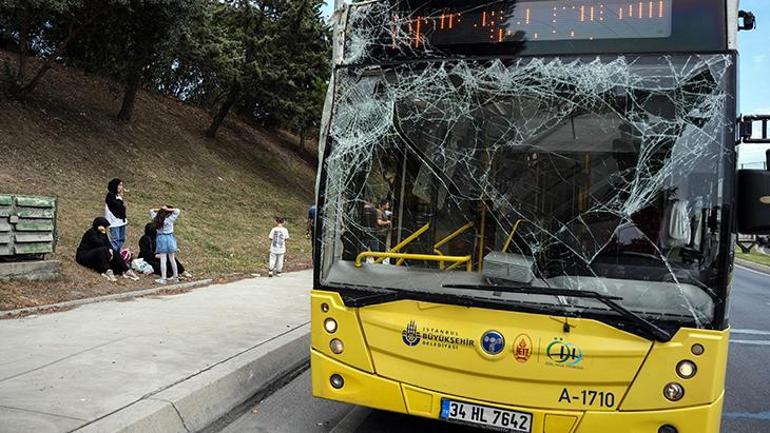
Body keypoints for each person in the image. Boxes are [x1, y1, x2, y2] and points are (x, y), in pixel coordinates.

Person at [76, 217, 135, 281]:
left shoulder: (102, 233)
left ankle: (125, 269)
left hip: (96, 253)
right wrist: (103, 235)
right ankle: (106, 270)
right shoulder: (91, 233)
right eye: (104, 226)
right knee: (102, 250)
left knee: (114, 251)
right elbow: (99, 243)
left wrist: (111, 250)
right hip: (84, 255)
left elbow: (108, 244)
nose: (106, 229)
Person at [150, 206, 181, 284]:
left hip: (161, 239)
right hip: (170, 239)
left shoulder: (156, 219)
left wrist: (160, 209)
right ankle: (175, 277)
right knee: (172, 259)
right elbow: (177, 210)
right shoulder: (170, 220)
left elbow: (151, 210)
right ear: (168, 213)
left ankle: (163, 279)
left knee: (163, 260)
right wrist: (167, 209)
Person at [105, 178, 128, 252]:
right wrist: (122, 202)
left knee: (121, 239)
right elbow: (116, 205)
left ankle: (117, 256)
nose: (121, 187)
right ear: (115, 186)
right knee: (116, 241)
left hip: (121, 221)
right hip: (114, 222)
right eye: (120, 185)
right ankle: (111, 256)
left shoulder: (117, 195)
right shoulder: (110, 195)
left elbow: (121, 208)